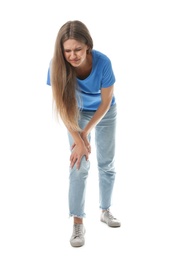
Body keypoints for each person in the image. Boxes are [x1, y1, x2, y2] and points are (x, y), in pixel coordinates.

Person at [46, 20, 121, 247]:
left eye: (77, 49)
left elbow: (106, 101)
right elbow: (62, 106)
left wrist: (85, 134)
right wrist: (79, 139)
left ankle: (105, 210)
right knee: (79, 164)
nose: (73, 55)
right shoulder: (56, 65)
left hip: (104, 111)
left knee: (106, 163)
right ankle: (78, 223)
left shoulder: (103, 62)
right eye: (67, 50)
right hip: (75, 112)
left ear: (87, 45)